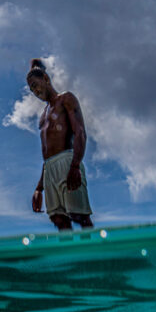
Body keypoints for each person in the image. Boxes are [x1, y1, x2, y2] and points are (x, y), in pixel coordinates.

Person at [26, 58, 93, 231]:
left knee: (80, 216)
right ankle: (73, 257)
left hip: (68, 161)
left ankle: (95, 254)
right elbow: (47, 155)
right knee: (59, 220)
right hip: (50, 169)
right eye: (31, 88)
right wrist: (39, 188)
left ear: (46, 79)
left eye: (35, 85)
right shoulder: (42, 118)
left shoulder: (66, 99)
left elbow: (80, 133)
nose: (34, 91)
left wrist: (75, 165)